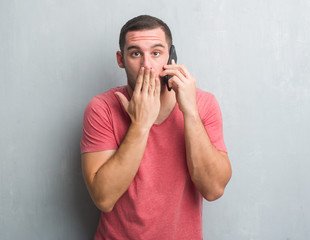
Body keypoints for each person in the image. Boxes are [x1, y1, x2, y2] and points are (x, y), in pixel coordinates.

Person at [80, 15, 232, 239]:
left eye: (156, 53)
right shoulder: (101, 109)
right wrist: (141, 124)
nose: (147, 66)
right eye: (135, 53)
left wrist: (189, 111)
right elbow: (103, 198)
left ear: (171, 57)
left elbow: (213, 189)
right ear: (121, 59)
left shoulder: (203, 104)